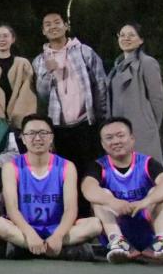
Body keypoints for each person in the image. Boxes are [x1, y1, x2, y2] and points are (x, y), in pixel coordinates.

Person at [0, 114, 102, 260]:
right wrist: (30, 234)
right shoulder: (11, 167)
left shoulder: (67, 166)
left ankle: (33, 248)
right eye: (31, 133)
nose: (38, 138)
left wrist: (58, 236)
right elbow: (12, 209)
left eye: (43, 133)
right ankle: (54, 249)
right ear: (23, 139)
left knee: (95, 224)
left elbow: (70, 209)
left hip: (57, 228)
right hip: (25, 228)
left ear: (51, 137)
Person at [81, 117, 163, 264]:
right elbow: (88, 188)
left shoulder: (147, 163)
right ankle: (118, 242)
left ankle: (162, 242)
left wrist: (146, 201)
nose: (116, 141)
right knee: (101, 197)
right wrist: (113, 202)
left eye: (120, 136)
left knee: (162, 196)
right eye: (109, 138)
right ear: (103, 144)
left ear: (132, 139)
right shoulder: (99, 166)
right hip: (117, 226)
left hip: (145, 225)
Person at [32, 11, 108, 175]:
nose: (53, 27)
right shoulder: (40, 60)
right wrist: (48, 73)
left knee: (92, 171)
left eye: (57, 22)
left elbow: (101, 84)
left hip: (87, 123)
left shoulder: (85, 52)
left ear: (66, 26)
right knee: (66, 174)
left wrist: (102, 118)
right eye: (48, 24)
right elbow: (42, 95)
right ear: (43, 31)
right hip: (59, 126)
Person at [107, 23, 163, 163]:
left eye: (131, 35)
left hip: (141, 131)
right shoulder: (117, 67)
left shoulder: (147, 63)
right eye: (122, 35)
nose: (126, 38)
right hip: (119, 131)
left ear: (141, 40)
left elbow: (157, 99)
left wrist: (150, 125)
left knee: (145, 169)